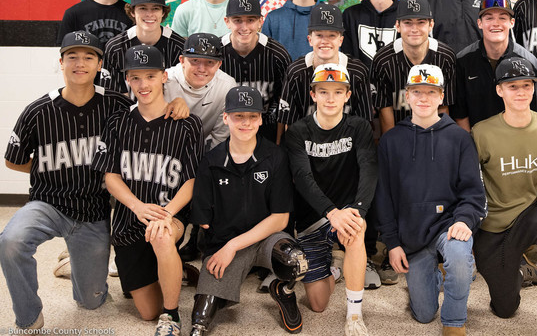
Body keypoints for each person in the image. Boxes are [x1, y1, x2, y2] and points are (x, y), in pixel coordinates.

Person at [0, 32, 131, 330]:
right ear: (61, 62)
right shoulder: (38, 110)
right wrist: (49, 170)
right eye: (72, 56)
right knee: (10, 242)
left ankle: (73, 265)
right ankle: (28, 318)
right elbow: (13, 159)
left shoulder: (117, 106)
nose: (79, 63)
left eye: (88, 57)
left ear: (100, 65)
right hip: (47, 202)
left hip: (93, 211)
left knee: (91, 301)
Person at [92, 45, 203, 336]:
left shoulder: (187, 124)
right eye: (136, 77)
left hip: (172, 214)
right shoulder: (118, 121)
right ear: (127, 79)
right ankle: (171, 273)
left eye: (151, 76)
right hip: (130, 220)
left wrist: (166, 214)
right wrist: (138, 207)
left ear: (164, 77)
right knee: (145, 312)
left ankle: (172, 315)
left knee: (162, 236)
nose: (144, 85)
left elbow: (191, 182)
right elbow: (111, 176)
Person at [375, 64, 485, 336]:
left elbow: (474, 193)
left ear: (441, 96)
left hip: (448, 224)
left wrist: (464, 219)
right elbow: (384, 198)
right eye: (417, 92)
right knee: (423, 314)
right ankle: (436, 277)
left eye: (430, 92)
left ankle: (454, 322)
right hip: (412, 232)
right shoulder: (391, 141)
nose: (423, 98)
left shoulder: (459, 138)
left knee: (459, 259)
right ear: (407, 96)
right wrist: (392, 243)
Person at [471, 57, 537, 335]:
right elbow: (470, 184)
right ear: (499, 91)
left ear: (534, 89)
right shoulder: (481, 132)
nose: (521, 92)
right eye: (512, 86)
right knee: (505, 309)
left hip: (533, 212)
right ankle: (520, 271)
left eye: (527, 85)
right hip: (494, 225)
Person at [189, 86, 309, 335]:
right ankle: (223, 291)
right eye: (238, 116)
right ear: (225, 117)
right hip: (225, 243)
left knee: (294, 260)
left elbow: (280, 218)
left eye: (252, 116)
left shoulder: (275, 157)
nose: (246, 123)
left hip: (267, 239)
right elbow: (204, 223)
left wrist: (235, 245)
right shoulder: (210, 162)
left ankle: (284, 291)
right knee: (199, 321)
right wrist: (227, 248)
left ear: (261, 119)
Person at [284, 64, 377, 336]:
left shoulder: (358, 127)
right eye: (323, 91)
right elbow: (302, 178)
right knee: (318, 304)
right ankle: (334, 271)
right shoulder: (298, 131)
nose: (330, 98)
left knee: (355, 231)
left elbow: (369, 169)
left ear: (347, 95)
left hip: (347, 211)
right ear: (312, 94)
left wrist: (357, 211)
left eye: (337, 92)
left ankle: (354, 314)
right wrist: (330, 212)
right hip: (313, 216)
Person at [277, 2, 373, 135]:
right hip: (306, 148)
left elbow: (364, 126)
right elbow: (290, 126)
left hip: (346, 149)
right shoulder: (296, 72)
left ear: (341, 40)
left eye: (332, 35)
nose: (325, 41)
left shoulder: (358, 72)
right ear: (310, 39)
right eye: (319, 35)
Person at [452, 0, 537, 131]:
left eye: (502, 18)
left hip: (517, 139)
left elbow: (536, 111)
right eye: (489, 18)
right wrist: (471, 144)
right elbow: (460, 114)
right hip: (477, 141)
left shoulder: (528, 61)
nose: (496, 23)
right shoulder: (463, 60)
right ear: (479, 23)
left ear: (512, 23)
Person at [371, 0, 456, 134]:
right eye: (408, 22)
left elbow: (443, 108)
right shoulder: (383, 59)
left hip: (434, 134)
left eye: (421, 22)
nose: (414, 29)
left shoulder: (446, 57)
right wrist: (393, 147)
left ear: (431, 25)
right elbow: (384, 110)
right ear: (397, 26)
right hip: (400, 134)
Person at [221, 0, 291, 143]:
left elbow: (284, 104)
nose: (244, 27)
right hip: (224, 130)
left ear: (260, 21)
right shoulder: (217, 53)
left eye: (250, 20)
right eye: (237, 20)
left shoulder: (277, 54)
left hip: (267, 129)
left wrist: (279, 145)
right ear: (227, 22)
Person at [104, 0, 184, 95]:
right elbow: (113, 94)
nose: (149, 14)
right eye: (143, 8)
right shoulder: (116, 47)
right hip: (129, 109)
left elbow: (182, 92)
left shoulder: (179, 46)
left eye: (155, 8)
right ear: (132, 12)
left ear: (163, 12)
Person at [164, 33, 237, 151]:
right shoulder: (165, 80)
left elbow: (220, 138)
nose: (201, 68)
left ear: (219, 64)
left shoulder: (227, 86)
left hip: (200, 149)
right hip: (161, 146)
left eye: (210, 62)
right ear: (182, 61)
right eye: (195, 60)